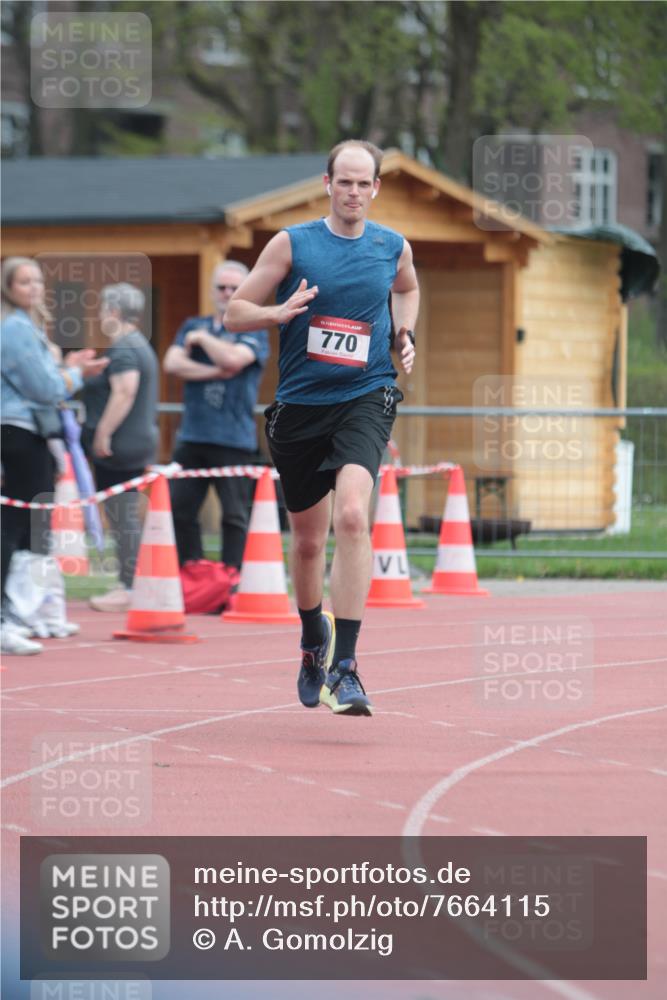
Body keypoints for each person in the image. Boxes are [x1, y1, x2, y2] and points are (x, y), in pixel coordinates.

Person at [225, 140, 418, 717]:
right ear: (327, 184)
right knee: (308, 542)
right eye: (345, 182)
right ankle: (314, 641)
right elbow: (235, 311)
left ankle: (348, 668)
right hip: (300, 407)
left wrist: (404, 334)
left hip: (367, 395)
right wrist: (275, 314)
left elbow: (407, 289)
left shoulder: (392, 246)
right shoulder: (293, 243)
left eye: (365, 183)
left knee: (355, 515)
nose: (355, 192)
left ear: (377, 188)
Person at [1, 257, 108, 654]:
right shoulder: (13, 328)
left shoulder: (27, 326)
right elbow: (45, 388)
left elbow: (46, 380)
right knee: (14, 523)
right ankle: (6, 618)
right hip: (17, 431)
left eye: (36, 281)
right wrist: (77, 375)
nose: (32, 288)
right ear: (8, 287)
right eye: (23, 281)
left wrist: (70, 368)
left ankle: (22, 613)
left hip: (32, 431)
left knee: (31, 525)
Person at [163, 261, 269, 576]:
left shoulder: (254, 329)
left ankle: (232, 578)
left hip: (233, 439)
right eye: (222, 287)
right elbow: (171, 362)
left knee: (234, 515)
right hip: (193, 436)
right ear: (213, 291)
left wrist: (204, 341)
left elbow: (235, 360)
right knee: (180, 512)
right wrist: (215, 370)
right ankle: (191, 575)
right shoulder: (192, 324)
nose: (227, 293)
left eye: (234, 288)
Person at [81, 283, 159, 612]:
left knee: (123, 517)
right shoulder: (135, 345)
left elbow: (124, 391)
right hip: (135, 441)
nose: (100, 317)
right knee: (125, 516)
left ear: (113, 312)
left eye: (102, 310)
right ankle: (133, 582)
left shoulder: (125, 348)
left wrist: (102, 433)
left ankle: (129, 586)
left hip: (121, 445)